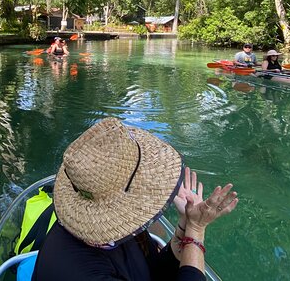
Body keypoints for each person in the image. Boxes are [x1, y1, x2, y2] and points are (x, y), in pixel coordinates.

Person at [32, 117, 238, 281]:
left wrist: (184, 226)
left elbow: (152, 270)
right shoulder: (81, 271)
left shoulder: (111, 233)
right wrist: (196, 230)